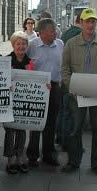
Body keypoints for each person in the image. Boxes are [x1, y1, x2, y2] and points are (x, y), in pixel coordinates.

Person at [61, 8, 97, 176]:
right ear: (81, 23)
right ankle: (73, 161)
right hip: (77, 93)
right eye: (88, 21)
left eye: (93, 21)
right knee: (75, 129)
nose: (91, 24)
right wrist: (73, 87)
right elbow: (65, 69)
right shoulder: (71, 43)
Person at [26, 18, 64, 167]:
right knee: (36, 122)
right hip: (37, 88)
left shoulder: (60, 44)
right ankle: (32, 155)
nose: (55, 32)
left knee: (51, 123)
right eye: (52, 30)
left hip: (55, 88)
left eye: (55, 30)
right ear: (41, 32)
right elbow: (23, 62)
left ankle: (49, 154)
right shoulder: (32, 45)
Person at [4, 31, 32, 174]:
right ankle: (10, 160)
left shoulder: (30, 62)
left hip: (24, 102)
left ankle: (20, 157)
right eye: (18, 44)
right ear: (13, 45)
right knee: (10, 131)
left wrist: (45, 86)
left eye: (23, 44)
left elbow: (36, 81)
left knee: (21, 130)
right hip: (9, 101)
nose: (21, 46)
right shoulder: (6, 60)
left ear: (27, 46)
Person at [56, 13, 82, 148]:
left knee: (62, 110)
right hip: (75, 77)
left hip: (64, 76)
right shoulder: (79, 35)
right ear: (82, 21)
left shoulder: (65, 34)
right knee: (71, 112)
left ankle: (60, 137)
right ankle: (67, 141)